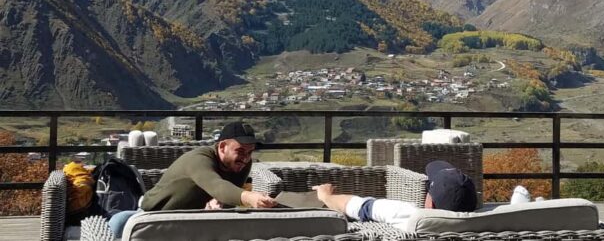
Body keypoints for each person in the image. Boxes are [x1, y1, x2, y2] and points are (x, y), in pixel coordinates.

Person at [108, 122, 276, 237]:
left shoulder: (242, 164)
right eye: (240, 151)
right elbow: (217, 185)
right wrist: (250, 197)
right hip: (153, 215)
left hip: (190, 221)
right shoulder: (199, 158)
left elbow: (225, 196)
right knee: (116, 223)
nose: (246, 158)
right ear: (222, 147)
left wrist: (218, 206)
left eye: (249, 152)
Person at [312, 160, 479, 230]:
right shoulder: (487, 221)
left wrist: (326, 196)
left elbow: (357, 207)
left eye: (429, 187)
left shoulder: (409, 215)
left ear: (431, 203)